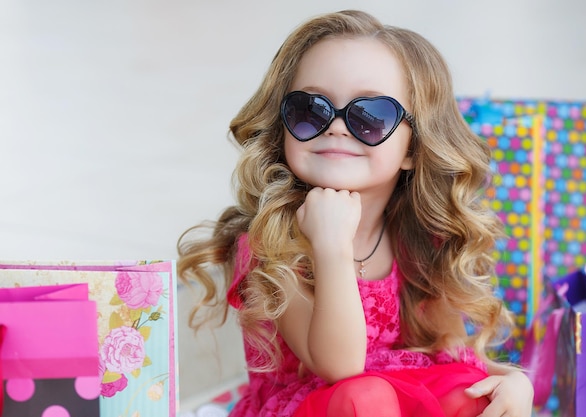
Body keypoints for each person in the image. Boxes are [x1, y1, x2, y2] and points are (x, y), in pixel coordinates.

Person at [178, 9, 533, 417]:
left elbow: (449, 354)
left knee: (469, 393)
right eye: (312, 109)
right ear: (283, 125)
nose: (337, 126)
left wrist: (513, 381)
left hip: (399, 393)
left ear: (414, 148)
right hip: (320, 405)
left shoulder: (417, 235)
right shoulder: (267, 243)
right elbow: (338, 367)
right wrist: (331, 244)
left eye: (370, 116)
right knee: (364, 397)